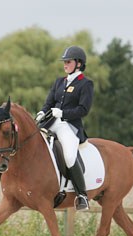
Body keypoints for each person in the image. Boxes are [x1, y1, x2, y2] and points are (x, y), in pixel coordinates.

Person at [36, 46, 94, 211]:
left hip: (69, 125)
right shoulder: (59, 82)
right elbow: (49, 102)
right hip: (51, 122)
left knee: (69, 156)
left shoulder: (85, 84)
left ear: (78, 63)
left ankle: (82, 195)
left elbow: (83, 110)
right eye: (64, 62)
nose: (65, 64)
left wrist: (63, 113)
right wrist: (42, 112)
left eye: (68, 62)